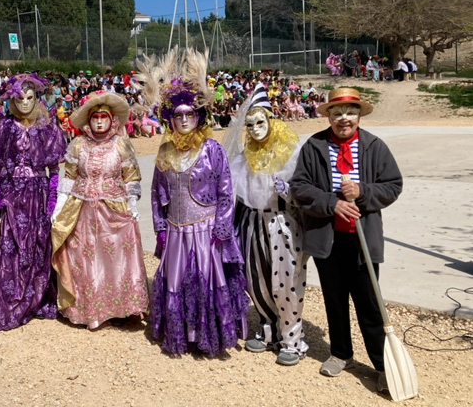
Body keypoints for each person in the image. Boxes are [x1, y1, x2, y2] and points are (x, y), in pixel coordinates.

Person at [137, 48, 250, 356]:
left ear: (199, 116)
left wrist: (222, 228)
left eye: (190, 114)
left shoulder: (212, 149)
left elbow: (226, 191)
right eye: (178, 115)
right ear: (170, 119)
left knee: (206, 281)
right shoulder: (164, 152)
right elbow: (157, 194)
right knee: (175, 280)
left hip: (206, 232)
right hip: (176, 232)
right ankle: (181, 334)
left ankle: (206, 335)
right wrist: (160, 227)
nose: (184, 119)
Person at [290, 87, 402, 394]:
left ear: (359, 115)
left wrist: (363, 193)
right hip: (328, 240)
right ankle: (341, 353)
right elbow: (299, 187)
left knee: (369, 304)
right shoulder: (314, 146)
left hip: (363, 241)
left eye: (350, 112)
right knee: (334, 300)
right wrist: (332, 203)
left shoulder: (374, 147)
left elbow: (393, 185)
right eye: (337, 113)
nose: (344, 119)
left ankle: (382, 365)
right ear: (328, 115)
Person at [0, 73, 66, 333]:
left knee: (37, 245)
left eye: (30, 98)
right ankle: (10, 301)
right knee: (10, 246)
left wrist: (53, 198)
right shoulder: (5, 127)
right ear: (12, 100)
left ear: (37, 99)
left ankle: (35, 300)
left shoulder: (47, 127)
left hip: (37, 193)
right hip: (12, 193)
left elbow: (54, 169)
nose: (25, 103)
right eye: (20, 98)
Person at [223, 86, 308, 366]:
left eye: (261, 122)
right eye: (250, 125)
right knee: (257, 279)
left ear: (272, 121)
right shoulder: (244, 155)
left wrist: (289, 190)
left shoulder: (291, 152)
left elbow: (306, 189)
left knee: (286, 281)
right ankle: (269, 329)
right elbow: (232, 188)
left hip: (282, 223)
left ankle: (292, 339)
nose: (256, 129)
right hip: (251, 223)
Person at [50, 91, 149, 329]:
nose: (100, 122)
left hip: (113, 211)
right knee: (84, 258)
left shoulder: (121, 144)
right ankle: (88, 309)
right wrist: (60, 204)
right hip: (81, 209)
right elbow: (70, 176)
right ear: (89, 120)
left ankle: (120, 307)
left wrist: (132, 202)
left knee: (114, 257)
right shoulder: (78, 145)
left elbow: (131, 177)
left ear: (112, 119)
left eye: (104, 117)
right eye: (95, 118)